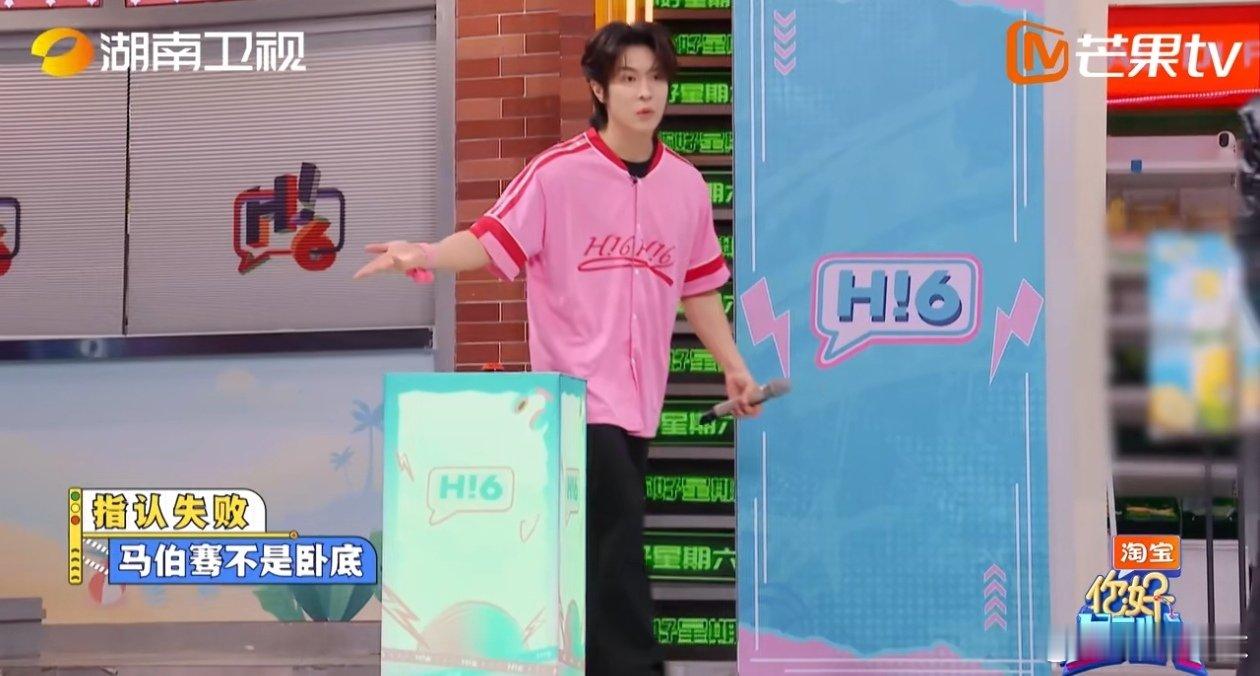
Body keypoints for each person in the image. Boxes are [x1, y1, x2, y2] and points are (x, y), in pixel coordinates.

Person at [355, 20, 761, 675]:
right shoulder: (557, 174)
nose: (645, 93)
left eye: (656, 79)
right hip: (574, 401)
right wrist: (422, 254)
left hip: (640, 406)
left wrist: (734, 368)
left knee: (597, 548)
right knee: (615, 541)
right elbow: (489, 240)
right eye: (628, 79)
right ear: (599, 89)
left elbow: (700, 288)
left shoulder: (686, 186)